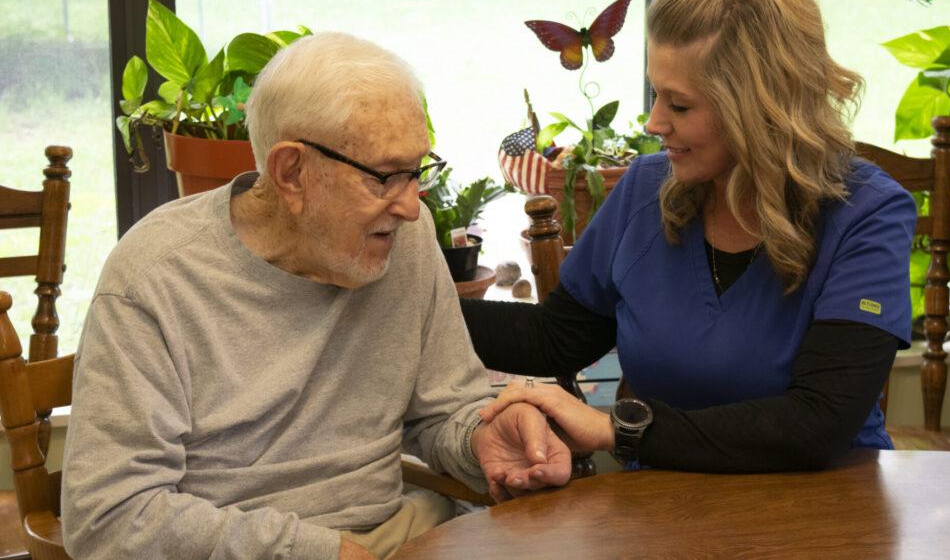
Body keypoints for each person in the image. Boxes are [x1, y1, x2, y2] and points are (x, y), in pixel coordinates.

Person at [61, 32, 571, 560]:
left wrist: (481, 440)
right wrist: (318, 552)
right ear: (291, 173)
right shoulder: (157, 278)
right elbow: (111, 516)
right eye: (385, 177)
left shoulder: (400, 239)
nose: (412, 208)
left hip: (399, 532)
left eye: (417, 171)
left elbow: (443, 410)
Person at [462, 0, 918, 473]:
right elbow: (555, 339)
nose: (655, 122)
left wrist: (618, 430)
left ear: (761, 110)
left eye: (679, 105)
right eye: (657, 94)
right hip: (664, 507)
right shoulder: (645, 189)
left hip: (820, 508)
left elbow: (818, 423)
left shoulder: (868, 215)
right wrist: (412, 304)